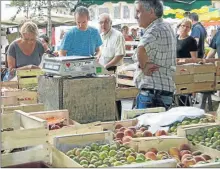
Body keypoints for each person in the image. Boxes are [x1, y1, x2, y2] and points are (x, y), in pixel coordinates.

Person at [133, 0, 176, 110]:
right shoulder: (166, 26)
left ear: (151, 12)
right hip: (164, 91)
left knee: (144, 127)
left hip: (152, 93)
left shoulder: (154, 29)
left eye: (138, 12)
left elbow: (140, 49)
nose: (135, 16)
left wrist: (143, 66)